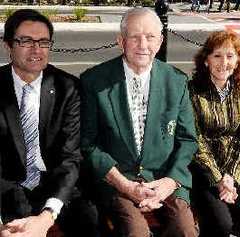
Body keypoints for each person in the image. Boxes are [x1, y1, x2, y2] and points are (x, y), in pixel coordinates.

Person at [80, 7, 198, 237]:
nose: (143, 45)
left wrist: (170, 183)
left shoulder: (176, 81)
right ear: (120, 41)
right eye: (134, 36)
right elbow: (87, 143)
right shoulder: (94, 81)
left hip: (164, 178)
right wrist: (125, 185)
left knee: (185, 231)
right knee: (136, 233)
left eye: (150, 37)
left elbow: (187, 139)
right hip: (118, 180)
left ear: (160, 41)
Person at [0, 9, 99, 237]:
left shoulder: (68, 88)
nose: (36, 49)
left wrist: (47, 215)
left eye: (43, 42)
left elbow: (70, 157)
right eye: (26, 41)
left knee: (88, 219)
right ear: (8, 45)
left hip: (57, 184)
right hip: (9, 187)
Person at [189, 30, 240, 237]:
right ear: (206, 60)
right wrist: (218, 178)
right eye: (217, 55)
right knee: (221, 224)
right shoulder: (192, 91)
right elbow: (195, 138)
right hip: (202, 168)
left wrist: (231, 177)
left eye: (230, 56)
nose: (223, 62)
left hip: (232, 167)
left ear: (237, 62)